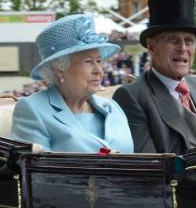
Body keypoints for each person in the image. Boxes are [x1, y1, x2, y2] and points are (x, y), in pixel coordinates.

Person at [113, 0, 196, 154]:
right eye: (173, 40)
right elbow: (152, 166)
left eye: (189, 41)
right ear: (152, 47)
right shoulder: (132, 96)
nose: (183, 48)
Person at [11, 14, 133, 153]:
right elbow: (37, 172)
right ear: (59, 69)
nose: (98, 71)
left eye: (99, 61)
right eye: (88, 61)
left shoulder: (112, 107)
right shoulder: (32, 109)